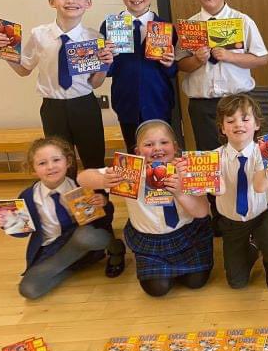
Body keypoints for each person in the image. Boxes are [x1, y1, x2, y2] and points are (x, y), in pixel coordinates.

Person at [175, 0, 268, 231]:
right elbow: (181, 66)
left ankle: (254, 207)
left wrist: (229, 56)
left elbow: (261, 59)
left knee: (245, 157)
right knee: (210, 159)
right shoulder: (189, 26)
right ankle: (218, 215)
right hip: (203, 104)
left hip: (238, 103)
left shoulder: (242, 21)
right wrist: (198, 59)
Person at [0, 0, 113, 173]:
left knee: (94, 157)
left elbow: (95, 84)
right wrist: (4, 52)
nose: (70, 1)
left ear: (88, 3)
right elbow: (24, 70)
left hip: (85, 105)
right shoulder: (39, 34)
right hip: (52, 108)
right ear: (51, 1)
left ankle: (101, 200)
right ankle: (66, 203)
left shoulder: (94, 37)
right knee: (60, 162)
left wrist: (105, 65)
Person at [79, 120, 213, 297]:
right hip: (150, 241)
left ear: (175, 147)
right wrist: (103, 181)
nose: (157, 148)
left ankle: (180, 270)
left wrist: (180, 193)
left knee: (196, 282)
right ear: (138, 151)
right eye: (149, 144)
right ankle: (162, 270)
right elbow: (82, 177)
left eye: (163, 143)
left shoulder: (186, 169)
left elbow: (202, 212)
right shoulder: (130, 172)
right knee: (157, 290)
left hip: (187, 235)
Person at [0, 138, 119, 299]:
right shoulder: (28, 196)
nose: (50, 167)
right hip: (52, 247)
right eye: (42, 163)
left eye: (56, 160)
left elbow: (103, 221)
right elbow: (21, 233)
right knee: (29, 290)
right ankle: (73, 265)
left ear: (68, 162)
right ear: (32, 168)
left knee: (86, 236)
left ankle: (115, 249)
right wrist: (7, 224)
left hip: (83, 238)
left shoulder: (80, 185)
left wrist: (103, 204)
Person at [215, 94, 268, 290]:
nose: (238, 124)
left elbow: (259, 186)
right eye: (230, 121)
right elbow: (218, 190)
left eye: (245, 119)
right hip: (231, 222)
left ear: (257, 124)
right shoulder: (215, 157)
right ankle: (253, 247)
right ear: (223, 128)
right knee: (236, 282)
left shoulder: (263, 151)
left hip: (260, 215)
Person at [101, 0, 177, 154]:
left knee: (162, 153)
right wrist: (105, 59)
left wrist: (169, 64)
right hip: (126, 102)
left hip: (158, 101)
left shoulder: (165, 27)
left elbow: (173, 71)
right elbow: (109, 71)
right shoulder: (111, 26)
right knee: (133, 153)